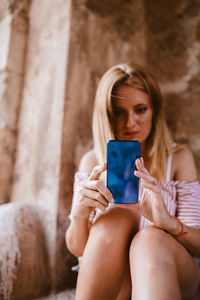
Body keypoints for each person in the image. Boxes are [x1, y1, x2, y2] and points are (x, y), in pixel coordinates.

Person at [66, 63, 200, 300]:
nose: (130, 123)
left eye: (140, 110)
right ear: (106, 114)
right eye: (119, 112)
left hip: (169, 269)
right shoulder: (93, 163)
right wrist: (79, 215)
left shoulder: (178, 159)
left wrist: (167, 223)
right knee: (114, 218)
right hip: (116, 282)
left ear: (154, 111)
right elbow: (78, 249)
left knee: (150, 240)